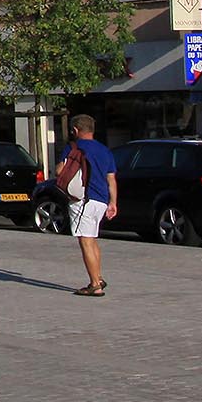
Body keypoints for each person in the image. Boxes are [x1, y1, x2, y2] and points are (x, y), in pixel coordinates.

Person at [56, 113, 117, 297]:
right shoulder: (105, 150)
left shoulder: (73, 147)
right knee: (93, 239)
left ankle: (94, 285)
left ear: (75, 130)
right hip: (101, 201)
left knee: (85, 241)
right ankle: (98, 277)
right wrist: (113, 202)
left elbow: (60, 170)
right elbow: (111, 178)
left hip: (84, 200)